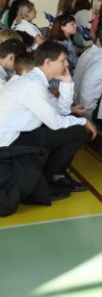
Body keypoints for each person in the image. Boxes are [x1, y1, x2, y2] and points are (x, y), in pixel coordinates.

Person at [0, 42, 95, 201]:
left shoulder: (34, 80)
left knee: (72, 126)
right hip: (10, 139)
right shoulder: (32, 84)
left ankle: (54, 175)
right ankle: (47, 179)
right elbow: (56, 123)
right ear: (48, 62)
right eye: (63, 61)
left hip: (19, 133)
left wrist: (66, 82)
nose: (67, 64)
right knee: (77, 132)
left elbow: (61, 112)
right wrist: (83, 122)